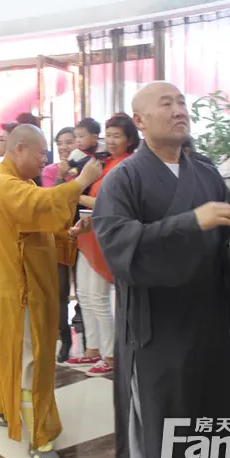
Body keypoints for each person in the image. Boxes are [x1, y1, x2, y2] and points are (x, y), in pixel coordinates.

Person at [92, 82, 230, 458]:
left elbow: (228, 240)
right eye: (166, 103)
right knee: (165, 426)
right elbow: (118, 246)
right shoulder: (124, 179)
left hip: (207, 324)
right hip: (157, 330)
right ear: (140, 120)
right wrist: (190, 222)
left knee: (212, 418)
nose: (178, 110)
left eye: (182, 102)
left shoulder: (205, 174)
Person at [0, 124, 102, 458]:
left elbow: (36, 223)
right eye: (41, 151)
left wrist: (70, 232)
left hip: (19, 284)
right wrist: (79, 183)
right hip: (17, 290)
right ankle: (40, 439)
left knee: (9, 353)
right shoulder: (1, 182)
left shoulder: (19, 181)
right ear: (19, 149)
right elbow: (36, 204)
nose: (45, 157)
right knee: (32, 360)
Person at [72, 113, 140, 374]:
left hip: (104, 236)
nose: (111, 141)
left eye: (117, 136)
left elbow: (107, 203)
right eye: (108, 135)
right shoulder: (105, 161)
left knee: (99, 298)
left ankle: (110, 356)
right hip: (88, 233)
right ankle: (92, 349)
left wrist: (75, 194)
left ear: (130, 139)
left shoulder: (127, 165)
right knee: (85, 296)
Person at [40, 127, 81, 363]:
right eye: (60, 143)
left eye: (70, 142)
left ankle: (85, 336)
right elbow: (49, 201)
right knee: (60, 291)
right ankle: (65, 339)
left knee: (85, 291)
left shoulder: (86, 168)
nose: (65, 147)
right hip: (58, 235)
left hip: (84, 234)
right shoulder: (50, 170)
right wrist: (61, 176)